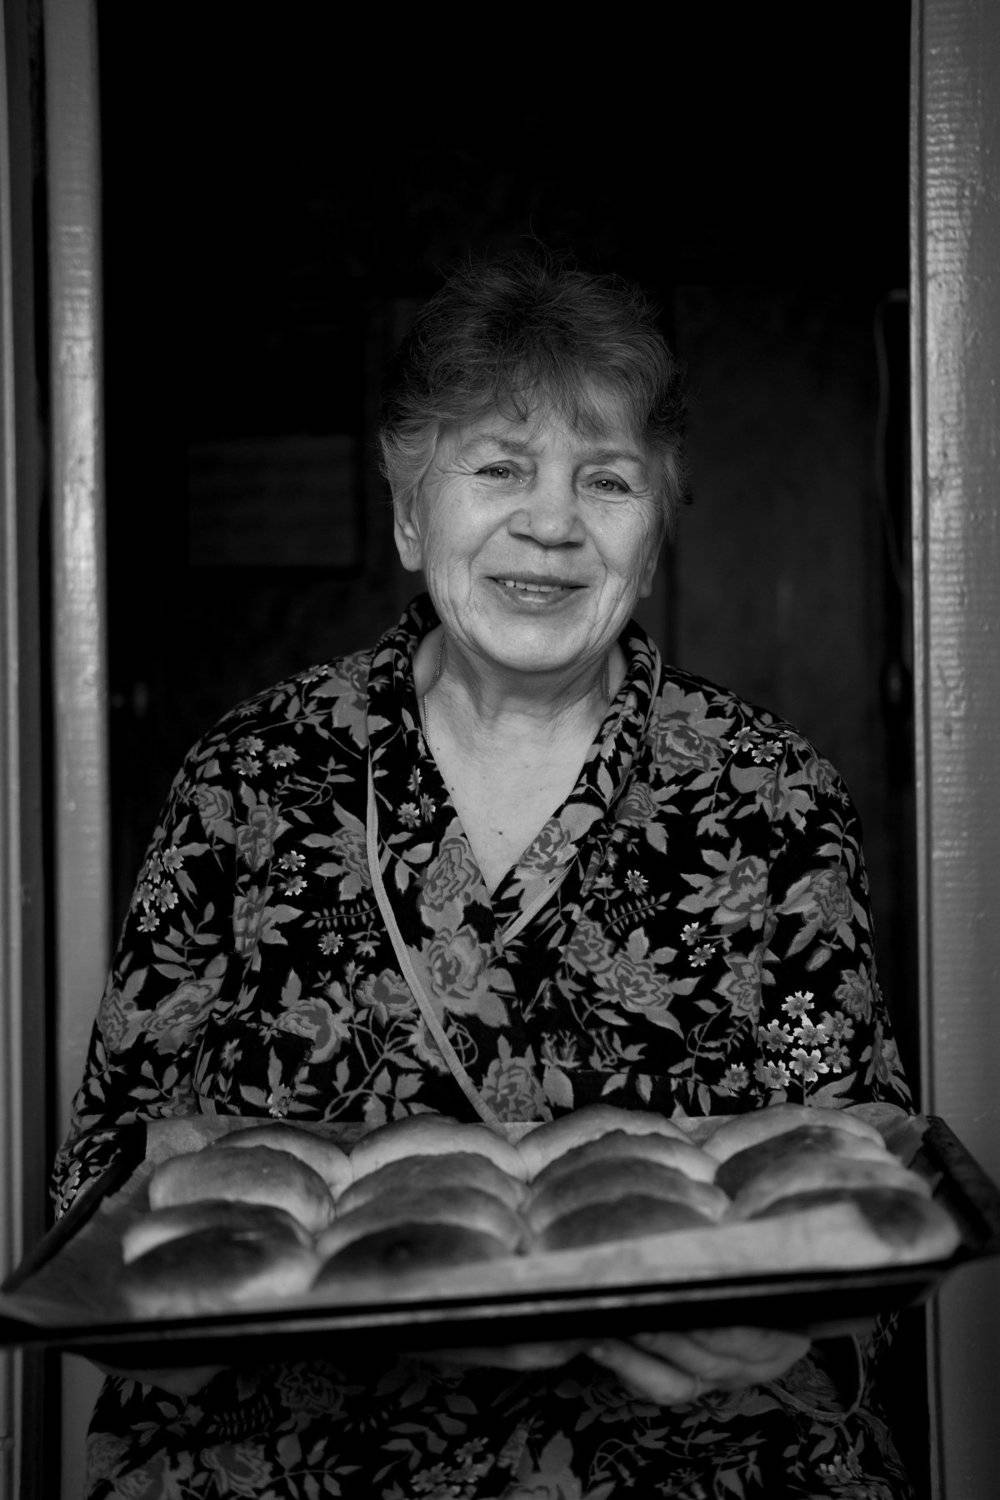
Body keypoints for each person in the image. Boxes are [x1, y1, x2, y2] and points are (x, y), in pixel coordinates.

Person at [56, 250, 916, 1499]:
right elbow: (106, 1168)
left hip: (690, 1463)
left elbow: (860, 1171)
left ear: (655, 530)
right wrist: (157, 1322)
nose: (551, 523)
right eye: (499, 468)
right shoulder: (250, 777)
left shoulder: (769, 797)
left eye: (605, 478)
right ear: (412, 511)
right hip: (290, 1467)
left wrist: (797, 1329)